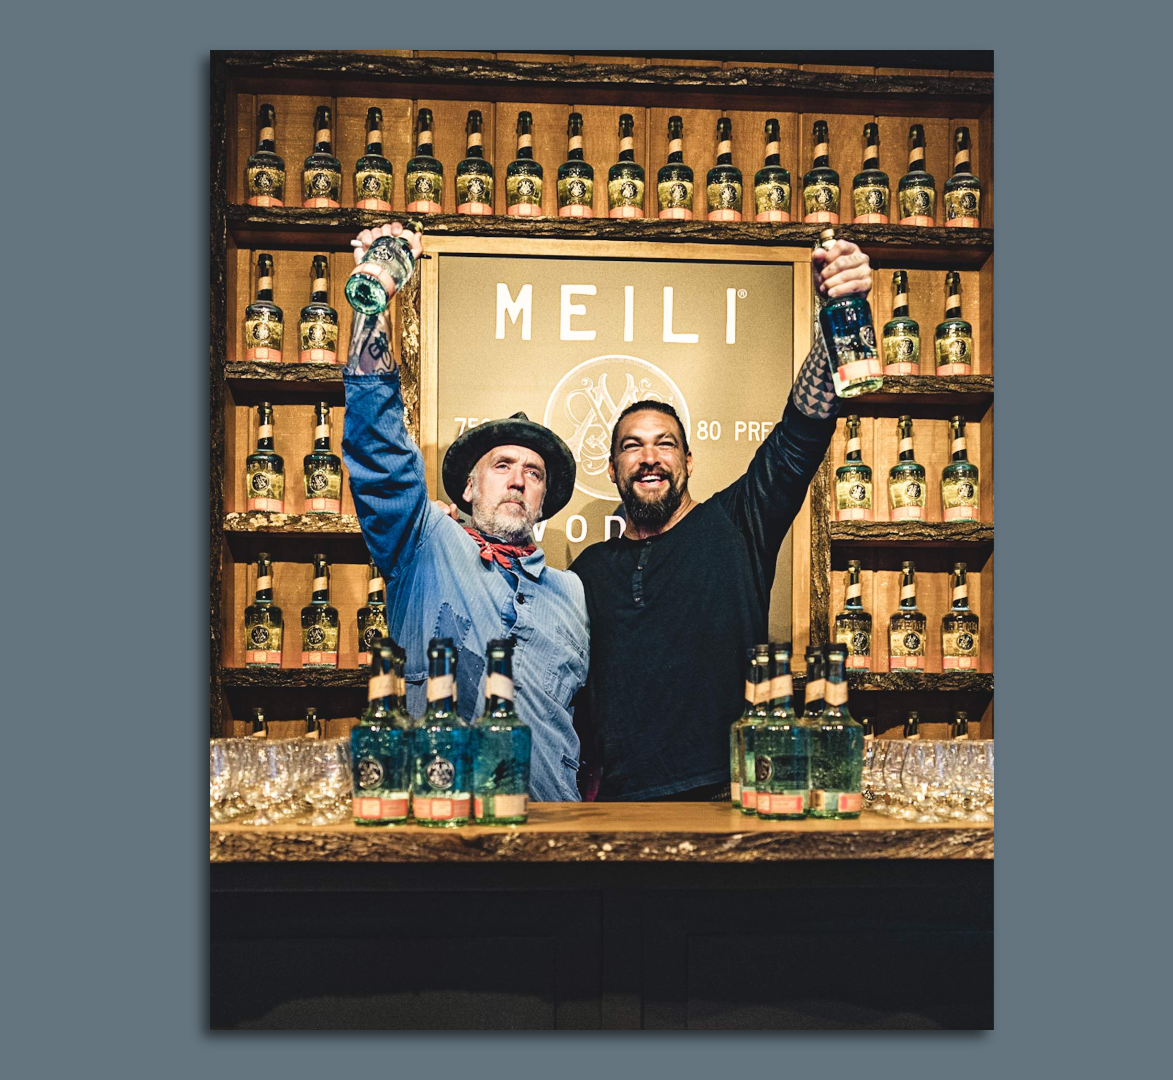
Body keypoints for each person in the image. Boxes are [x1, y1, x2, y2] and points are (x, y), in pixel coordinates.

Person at [570, 238, 873, 801]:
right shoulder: (587, 571)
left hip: (729, 793)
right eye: (632, 446)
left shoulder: (738, 524)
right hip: (617, 807)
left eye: (665, 444)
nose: (650, 457)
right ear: (612, 468)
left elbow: (801, 431)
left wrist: (836, 322)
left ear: (688, 460)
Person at [339, 223, 588, 803]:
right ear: (469, 488)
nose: (519, 479)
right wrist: (373, 309)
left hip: (554, 832)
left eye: (534, 474)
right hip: (440, 821)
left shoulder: (572, 592)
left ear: (544, 501)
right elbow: (379, 449)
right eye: (502, 465)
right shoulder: (425, 541)